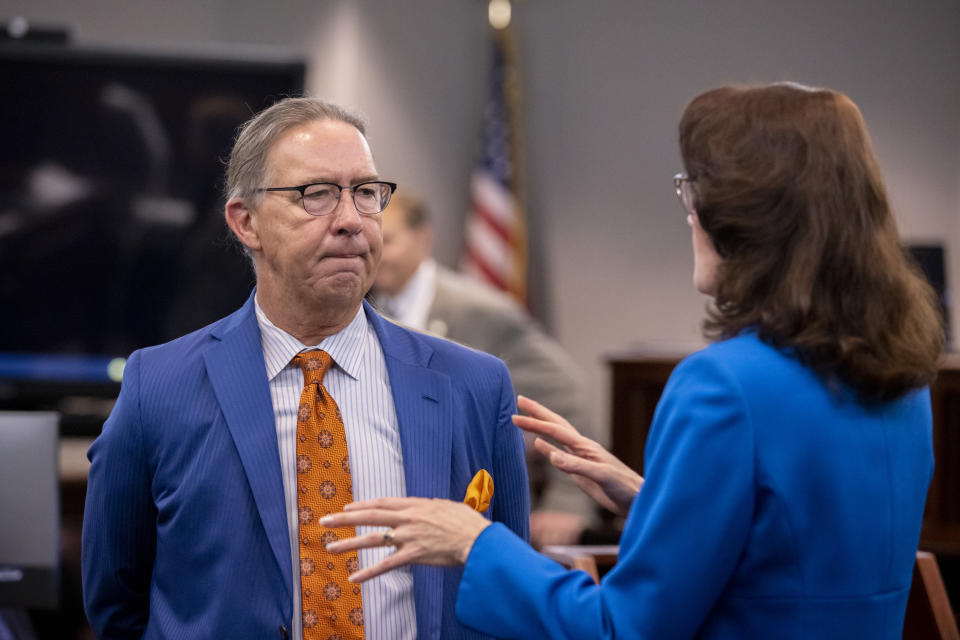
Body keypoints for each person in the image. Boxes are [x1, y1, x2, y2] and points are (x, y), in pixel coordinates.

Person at [319, 82, 945, 639]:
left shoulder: (723, 388)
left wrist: (474, 543)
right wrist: (654, 502)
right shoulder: (899, 374)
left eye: (693, 187)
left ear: (745, 217)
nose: (688, 209)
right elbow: (798, 559)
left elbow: (621, 627)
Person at [81, 97, 530, 640]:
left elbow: (510, 587)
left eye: (365, 193)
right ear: (246, 222)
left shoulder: (474, 386)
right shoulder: (159, 386)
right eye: (315, 195)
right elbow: (115, 598)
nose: (349, 220)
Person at [371, 192, 597, 547]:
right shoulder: (368, 307)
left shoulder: (478, 311)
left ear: (423, 238)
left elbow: (567, 394)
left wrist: (568, 499)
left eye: (389, 241)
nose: (377, 252)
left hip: (475, 522)